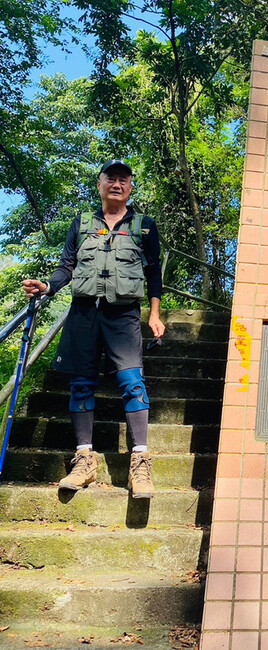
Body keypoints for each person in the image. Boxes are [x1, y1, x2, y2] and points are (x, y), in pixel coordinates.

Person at [22, 159, 165, 499]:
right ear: (100, 184)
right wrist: (47, 286)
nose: (117, 184)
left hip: (124, 315)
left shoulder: (144, 226)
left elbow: (155, 273)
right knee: (81, 384)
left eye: (124, 180)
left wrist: (154, 314)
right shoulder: (82, 223)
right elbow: (66, 267)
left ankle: (140, 463)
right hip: (84, 315)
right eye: (111, 178)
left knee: (132, 382)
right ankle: (84, 460)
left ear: (130, 188)